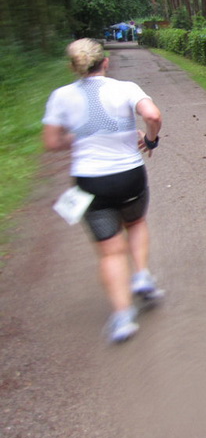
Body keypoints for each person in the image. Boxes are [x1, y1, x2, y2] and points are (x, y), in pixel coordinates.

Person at [42, 38, 164, 344]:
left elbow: (52, 142)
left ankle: (123, 318)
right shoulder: (126, 88)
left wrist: (80, 138)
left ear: (73, 67)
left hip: (91, 182)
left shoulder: (60, 96)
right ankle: (141, 276)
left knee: (110, 252)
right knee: (136, 222)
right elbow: (152, 115)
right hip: (129, 176)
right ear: (105, 62)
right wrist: (150, 140)